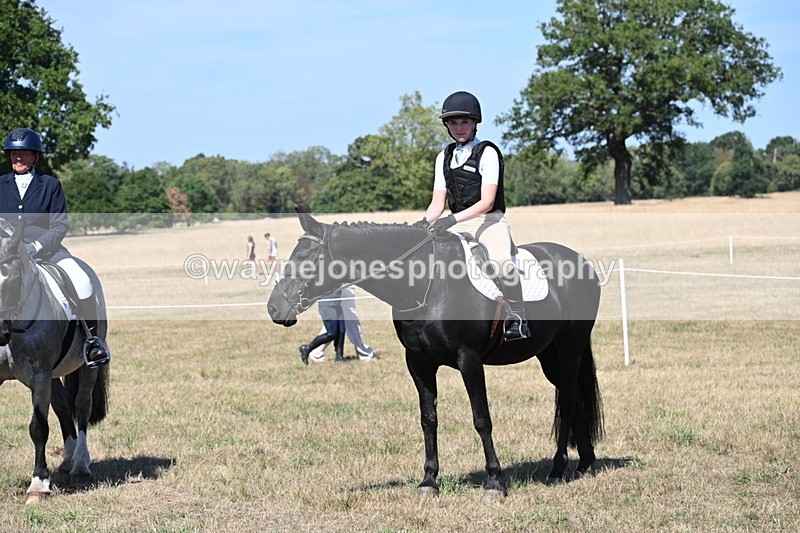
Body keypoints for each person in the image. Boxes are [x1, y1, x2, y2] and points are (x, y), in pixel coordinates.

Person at [422, 91, 530, 341]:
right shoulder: (444, 157)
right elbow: (437, 203)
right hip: (456, 223)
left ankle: (519, 317)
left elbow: (487, 202)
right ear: (447, 126)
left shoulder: (487, 153)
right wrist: (421, 225)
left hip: (489, 221)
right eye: (453, 123)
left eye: (464, 122)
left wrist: (451, 220)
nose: (459, 128)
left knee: (502, 261)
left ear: (475, 123)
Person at [1, 127, 110, 365]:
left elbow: (59, 226)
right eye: (13, 153)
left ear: (35, 156)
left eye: (24, 153)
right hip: (7, 257)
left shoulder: (50, 185)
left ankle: (92, 342)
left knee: (82, 281)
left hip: (47, 253)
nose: (18, 158)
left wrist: (36, 247)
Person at [308, 286, 375, 362]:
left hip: (345, 286)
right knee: (350, 320)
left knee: (338, 323)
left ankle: (317, 351)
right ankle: (362, 352)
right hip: (344, 287)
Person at [298, 288, 346, 364]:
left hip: (336, 303)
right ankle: (307, 348)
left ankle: (339, 357)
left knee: (342, 329)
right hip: (327, 305)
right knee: (331, 334)